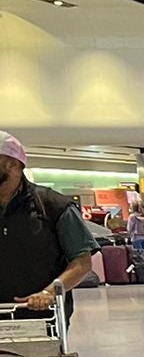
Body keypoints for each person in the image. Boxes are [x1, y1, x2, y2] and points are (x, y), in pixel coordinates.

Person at [0, 134, 95, 321]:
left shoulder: (53, 206)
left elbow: (82, 262)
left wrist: (48, 292)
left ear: (13, 164)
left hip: (40, 318)